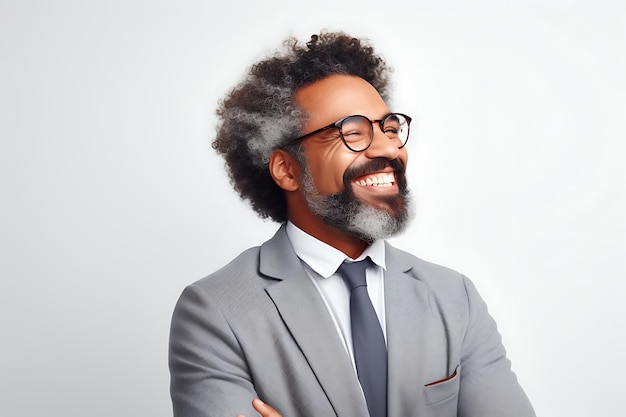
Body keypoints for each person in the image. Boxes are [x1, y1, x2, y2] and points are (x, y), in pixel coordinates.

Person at [169, 31, 536, 417]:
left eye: (390, 128)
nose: (388, 149)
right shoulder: (216, 311)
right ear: (287, 169)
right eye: (353, 132)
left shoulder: (454, 297)